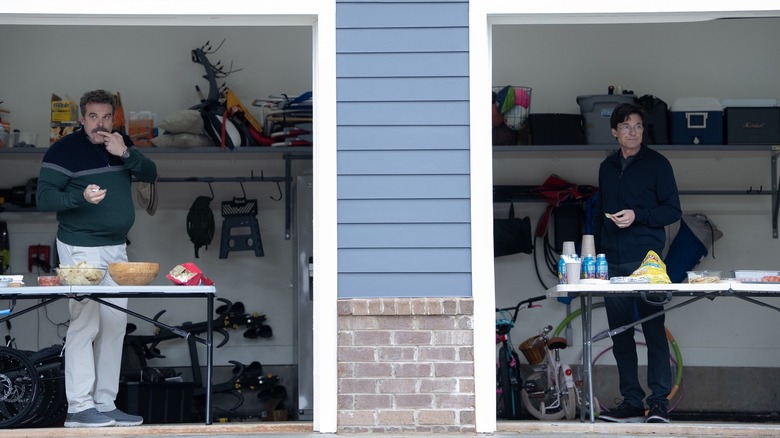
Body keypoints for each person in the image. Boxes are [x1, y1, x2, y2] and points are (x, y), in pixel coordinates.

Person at [36, 89, 158, 428]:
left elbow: (150, 173)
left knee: (115, 324)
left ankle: (104, 404)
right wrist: (81, 196)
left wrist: (127, 153)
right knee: (85, 323)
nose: (100, 124)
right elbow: (44, 198)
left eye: (106, 117)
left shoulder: (121, 143)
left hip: (116, 248)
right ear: (81, 118)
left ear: (113, 117)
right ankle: (78, 408)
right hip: (79, 247)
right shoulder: (64, 150)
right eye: (93, 117)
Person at [594, 102, 681, 424]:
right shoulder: (607, 167)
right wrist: (597, 253)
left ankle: (658, 403)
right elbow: (600, 209)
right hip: (612, 261)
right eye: (627, 126)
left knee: (653, 331)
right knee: (620, 335)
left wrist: (638, 215)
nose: (633, 132)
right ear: (615, 131)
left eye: (639, 126)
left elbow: (672, 211)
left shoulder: (658, 164)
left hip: (646, 263)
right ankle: (631, 400)